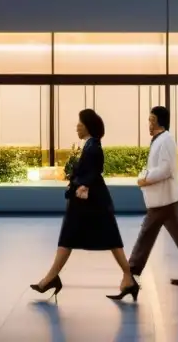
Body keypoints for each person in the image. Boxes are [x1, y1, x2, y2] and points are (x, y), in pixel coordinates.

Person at [30, 109, 139, 302]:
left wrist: (82, 184)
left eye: (79, 123)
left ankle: (51, 279)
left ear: (87, 125)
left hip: (89, 202)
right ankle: (51, 278)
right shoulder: (90, 145)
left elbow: (95, 170)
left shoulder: (93, 147)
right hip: (92, 201)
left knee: (77, 237)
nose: (76, 127)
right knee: (85, 238)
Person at [128, 106, 178, 289]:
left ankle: (130, 274)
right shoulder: (159, 140)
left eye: (152, 120)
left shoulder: (166, 140)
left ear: (160, 121)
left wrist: (145, 179)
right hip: (166, 199)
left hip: (165, 200)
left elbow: (165, 169)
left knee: (146, 234)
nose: (149, 123)